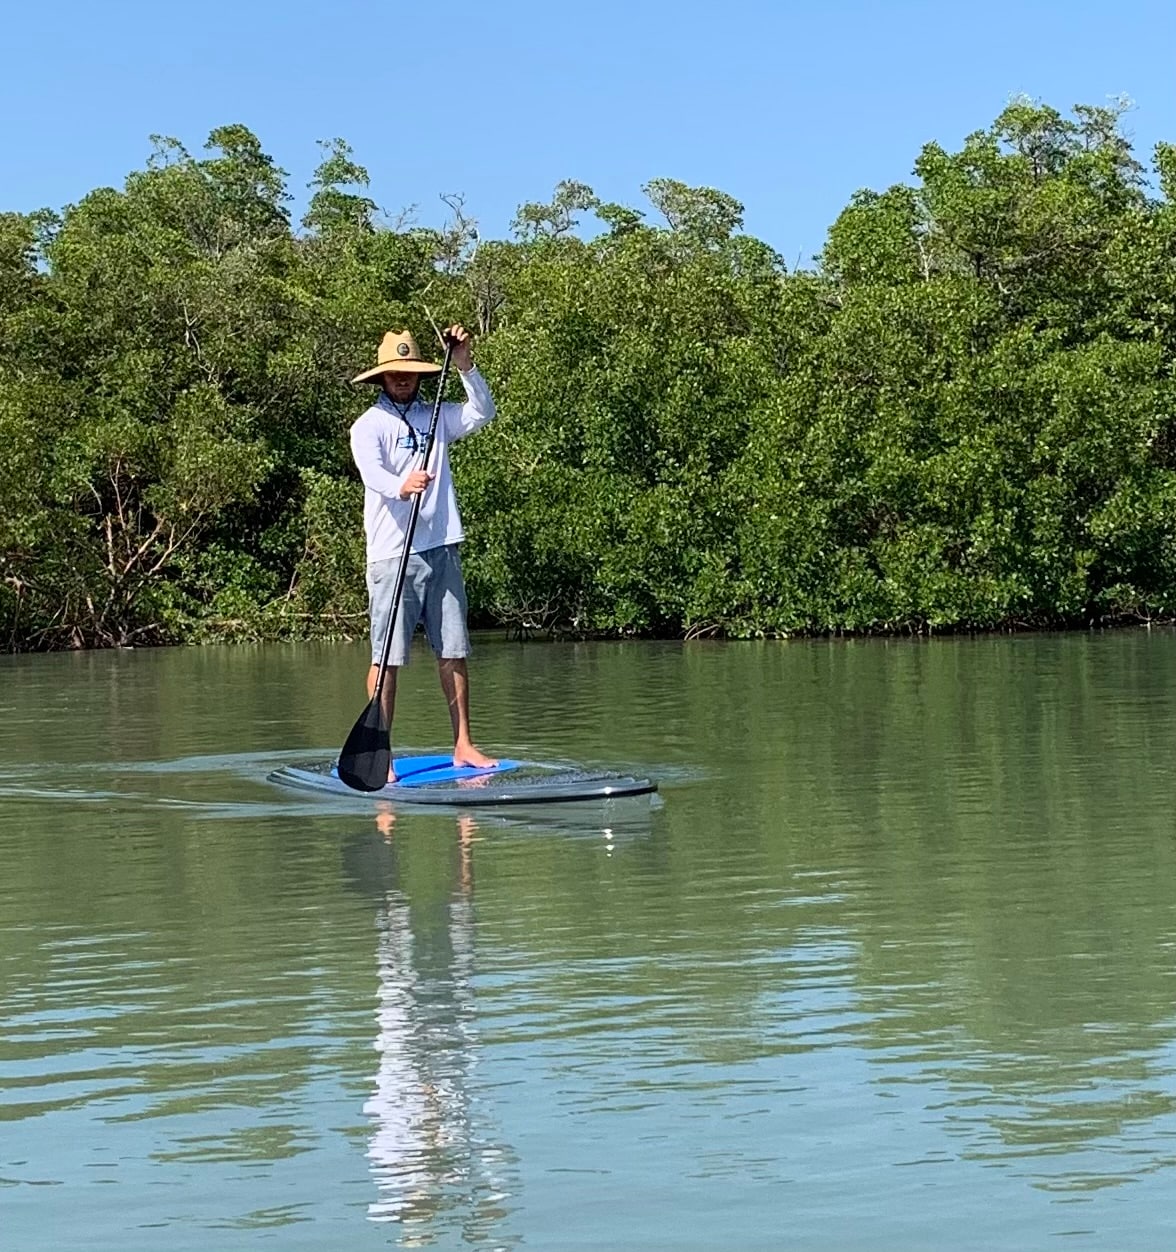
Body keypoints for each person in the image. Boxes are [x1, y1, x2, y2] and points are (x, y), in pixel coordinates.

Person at [349, 325, 497, 776]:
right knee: (387, 656)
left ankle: (464, 745)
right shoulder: (367, 426)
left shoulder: (437, 416)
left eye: (410, 372)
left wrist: (465, 363)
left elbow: (482, 412)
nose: (403, 379)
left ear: (419, 376)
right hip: (393, 555)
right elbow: (371, 472)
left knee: (453, 650)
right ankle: (380, 753)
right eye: (395, 373)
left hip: (442, 547)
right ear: (382, 377)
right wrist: (401, 485)